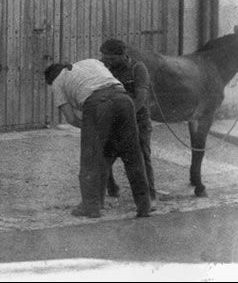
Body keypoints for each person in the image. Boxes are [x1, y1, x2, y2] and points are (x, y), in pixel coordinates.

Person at [44, 59, 152, 219]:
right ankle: (144, 205)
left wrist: (91, 127)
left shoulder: (57, 82)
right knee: (133, 156)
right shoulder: (91, 62)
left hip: (97, 104)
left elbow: (71, 118)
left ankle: (91, 207)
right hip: (123, 99)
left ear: (51, 78)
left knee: (90, 158)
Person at [100, 38, 156, 200]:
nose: (107, 61)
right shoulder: (102, 66)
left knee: (141, 156)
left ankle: (149, 195)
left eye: (112, 59)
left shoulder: (138, 68)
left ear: (124, 55)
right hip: (112, 118)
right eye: (105, 58)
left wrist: (126, 118)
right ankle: (110, 189)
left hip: (137, 119)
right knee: (104, 155)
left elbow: (141, 98)